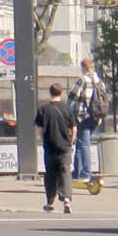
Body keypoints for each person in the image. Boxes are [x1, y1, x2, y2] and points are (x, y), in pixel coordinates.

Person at [36, 83, 74, 214]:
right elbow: (73, 128)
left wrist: (44, 140)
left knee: (50, 174)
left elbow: (40, 129)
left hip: (50, 146)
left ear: (50, 93)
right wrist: (71, 141)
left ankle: (49, 202)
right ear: (61, 93)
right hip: (65, 146)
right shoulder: (67, 108)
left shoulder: (43, 109)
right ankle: (67, 200)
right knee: (66, 172)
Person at [71, 62, 102, 183]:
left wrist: (66, 110)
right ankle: (77, 171)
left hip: (83, 116)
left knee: (84, 144)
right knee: (80, 142)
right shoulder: (99, 81)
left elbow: (73, 96)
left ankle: (86, 173)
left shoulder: (83, 80)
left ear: (83, 68)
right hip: (95, 117)